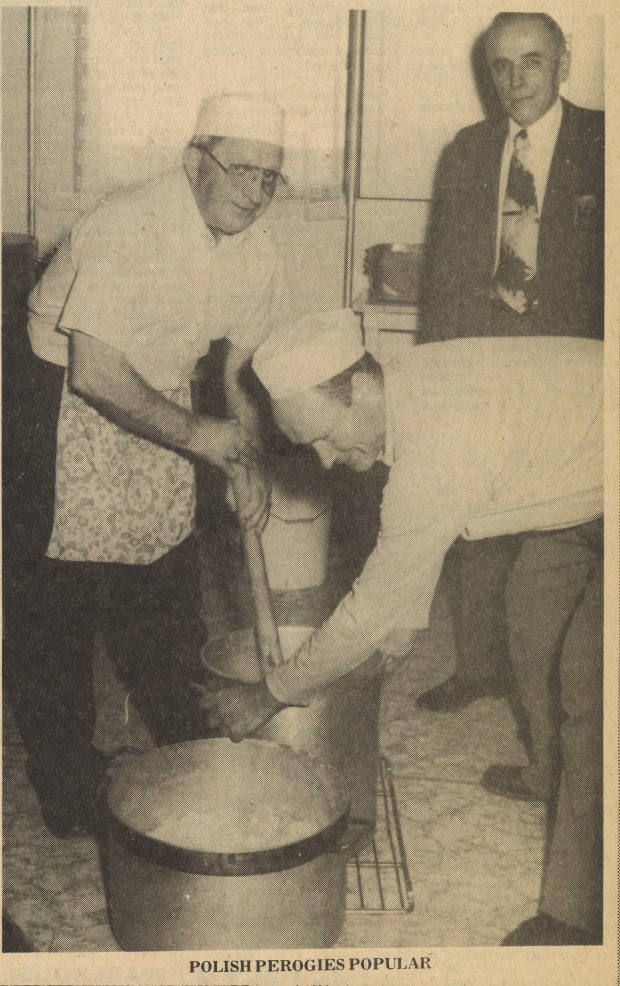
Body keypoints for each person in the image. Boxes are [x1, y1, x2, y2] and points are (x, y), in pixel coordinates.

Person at [196, 309, 603, 946]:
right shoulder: (400, 386)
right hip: (570, 478)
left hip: (598, 466)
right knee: (533, 620)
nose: (326, 461)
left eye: (326, 437)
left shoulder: (439, 435)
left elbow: (375, 596)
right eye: (310, 446)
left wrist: (269, 692)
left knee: (593, 692)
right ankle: (552, 776)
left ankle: (577, 920)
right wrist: (412, 614)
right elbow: (422, 526)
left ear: (357, 387)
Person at [4, 94, 289, 838]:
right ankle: (66, 788)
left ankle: (193, 759)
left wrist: (246, 457)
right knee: (55, 617)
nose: (254, 193)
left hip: (162, 395)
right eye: (240, 169)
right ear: (195, 158)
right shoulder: (125, 224)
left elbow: (236, 376)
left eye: (269, 178)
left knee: (163, 591)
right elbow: (93, 373)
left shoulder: (256, 251)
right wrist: (203, 439)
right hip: (54, 397)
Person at [416, 12, 604, 717]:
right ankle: (480, 668)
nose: (516, 79)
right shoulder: (465, 151)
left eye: (532, 61)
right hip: (485, 361)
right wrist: (439, 375)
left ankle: (551, 698)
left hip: (572, 369)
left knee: (558, 534)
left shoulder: (604, 142)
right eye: (501, 65)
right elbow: (442, 272)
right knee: (478, 509)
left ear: (563, 61)